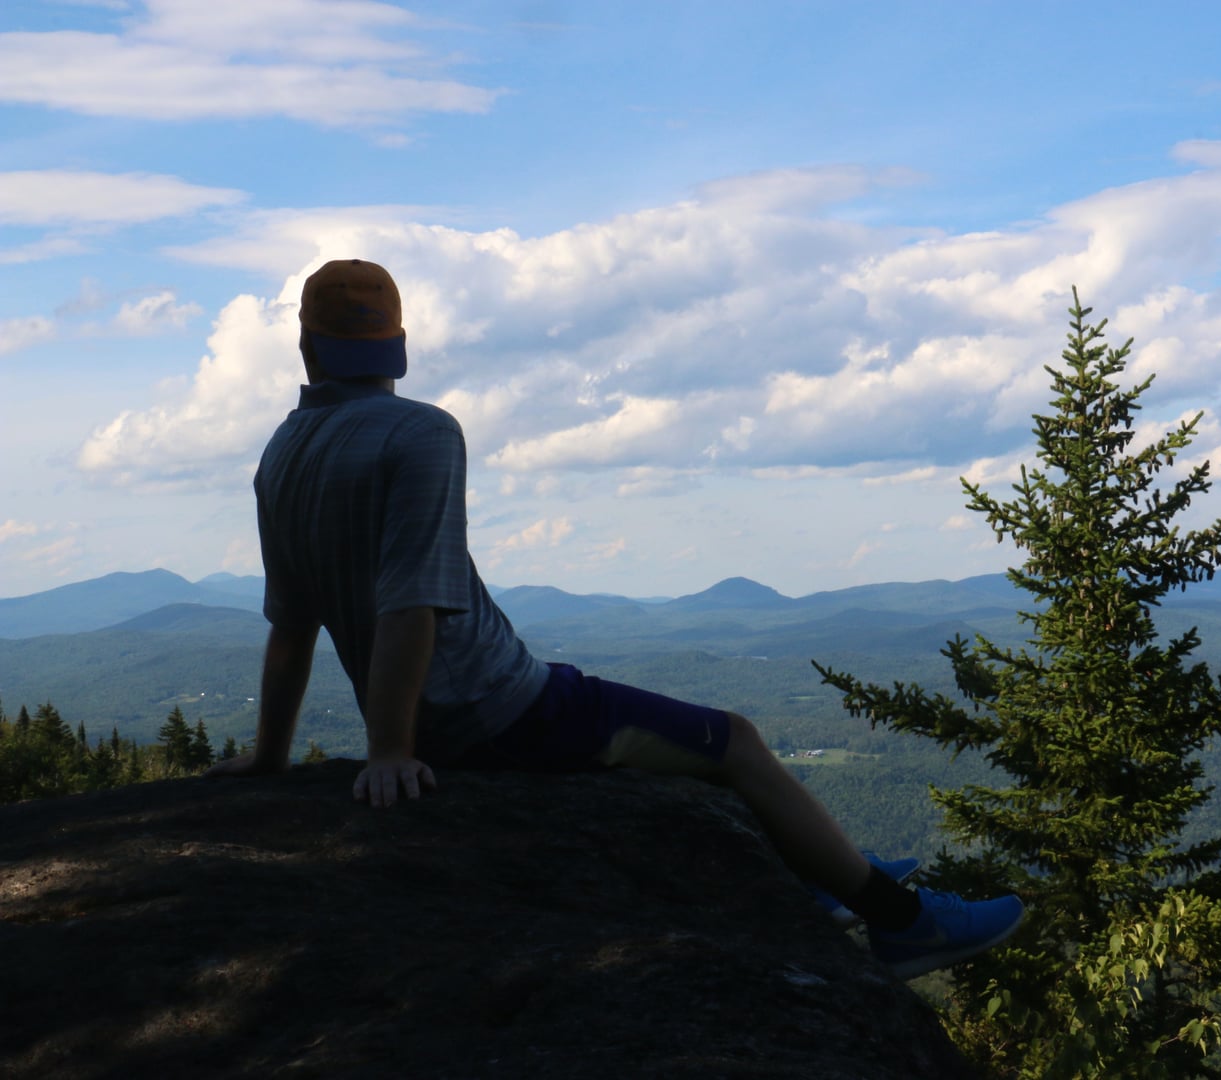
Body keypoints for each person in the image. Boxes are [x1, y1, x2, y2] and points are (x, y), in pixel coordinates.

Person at [205, 258, 1023, 979]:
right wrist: (391, 750)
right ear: (398, 348)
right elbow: (410, 598)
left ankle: (826, 877)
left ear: (308, 347)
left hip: (461, 712)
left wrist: (272, 755)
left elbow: (291, 622)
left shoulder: (283, 453)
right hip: (500, 708)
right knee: (735, 742)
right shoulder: (421, 430)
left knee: (682, 743)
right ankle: (903, 924)